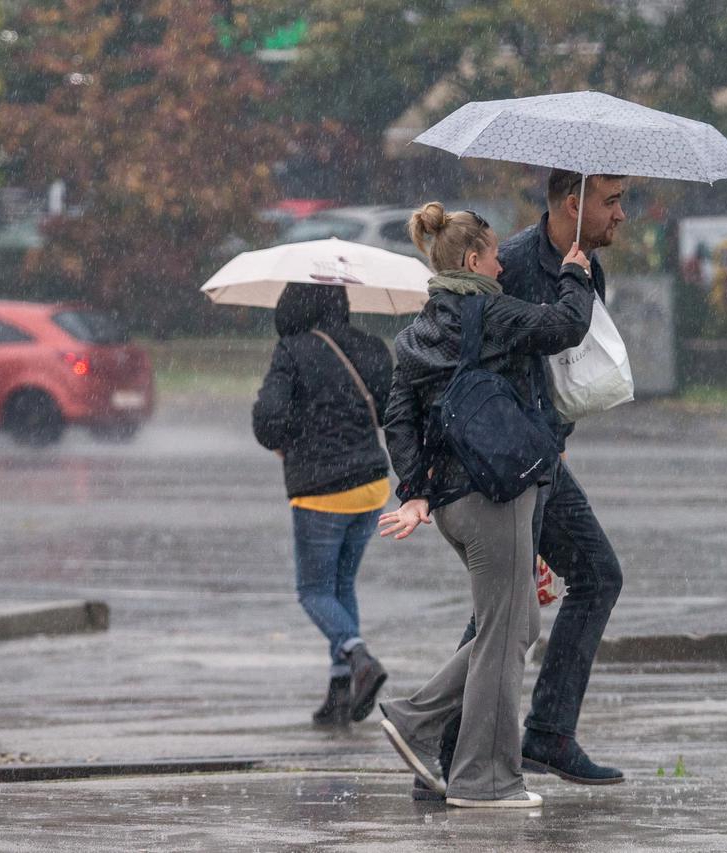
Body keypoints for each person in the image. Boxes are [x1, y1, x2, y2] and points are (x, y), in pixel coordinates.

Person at [418, 171, 629, 796]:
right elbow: (466, 365)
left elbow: (562, 370)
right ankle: (448, 752)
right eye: (613, 202)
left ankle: (548, 734)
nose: (622, 216)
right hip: (505, 466)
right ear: (574, 203)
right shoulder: (507, 265)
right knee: (503, 609)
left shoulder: (583, 265)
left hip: (543, 455)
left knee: (595, 576)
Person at [376, 202, 594, 808]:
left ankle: (416, 717)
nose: (502, 266)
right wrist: (576, 273)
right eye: (495, 255)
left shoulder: (418, 331)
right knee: (504, 634)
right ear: (472, 259)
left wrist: (417, 490)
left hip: (450, 502)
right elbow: (563, 328)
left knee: (516, 624)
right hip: (497, 492)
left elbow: (398, 416)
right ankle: (485, 779)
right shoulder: (489, 310)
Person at [252, 282, 393, 727]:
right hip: (371, 485)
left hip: (320, 489)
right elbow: (390, 409)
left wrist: (290, 438)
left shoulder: (292, 350)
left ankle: (357, 656)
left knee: (313, 592)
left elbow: (269, 419)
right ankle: (339, 691)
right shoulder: (372, 347)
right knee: (340, 585)